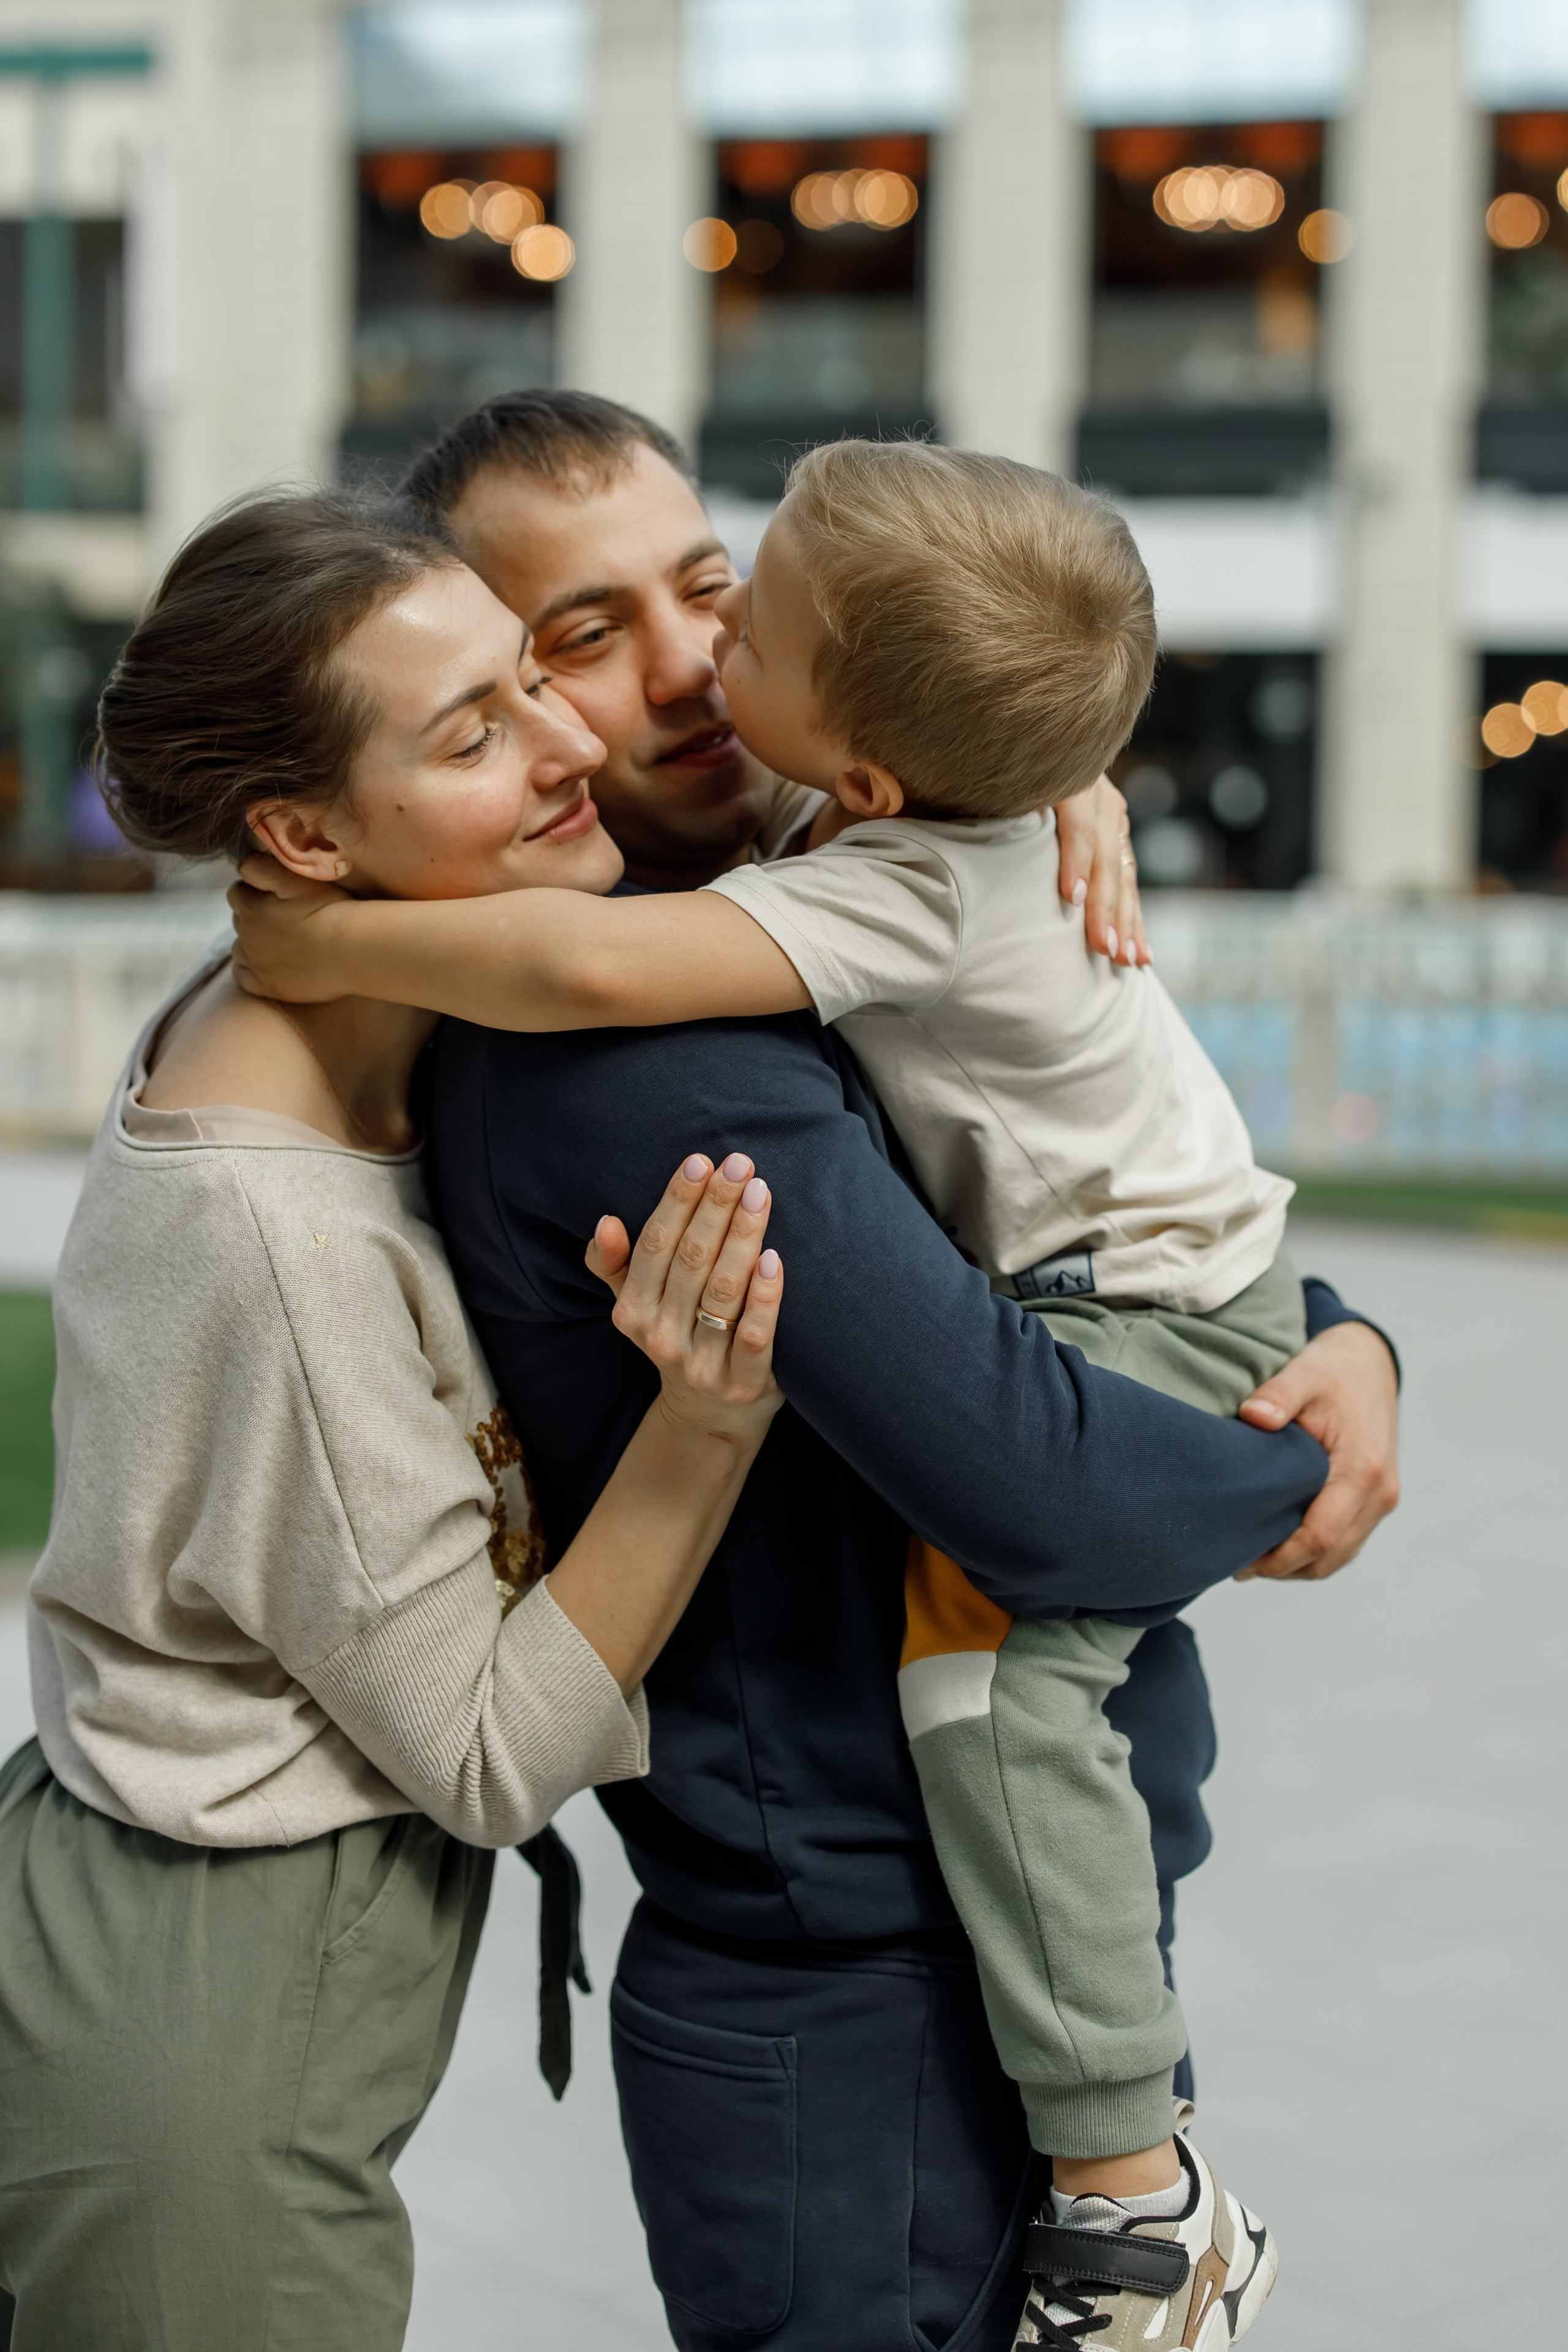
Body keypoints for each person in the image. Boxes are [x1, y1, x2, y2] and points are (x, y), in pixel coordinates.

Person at [231, 392, 1401, 2351]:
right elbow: (1039, 1482)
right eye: (578, 641)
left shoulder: (825, 870)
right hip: (861, 1998)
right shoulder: (649, 1039)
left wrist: (1328, 1314)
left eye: (713, 589)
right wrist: (1302, 1451)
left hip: (971, 1938)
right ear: (496, 704)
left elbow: (1046, 1190)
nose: (693, 667)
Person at [0, 491, 791, 2352]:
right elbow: (487, 1752)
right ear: (297, 834)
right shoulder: (269, 1231)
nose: (573, 740)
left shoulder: (323, 972)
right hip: (199, 2026)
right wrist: (709, 1423)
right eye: (475, 734)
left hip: (140, 1910)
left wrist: (1038, 792)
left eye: (534, 679)